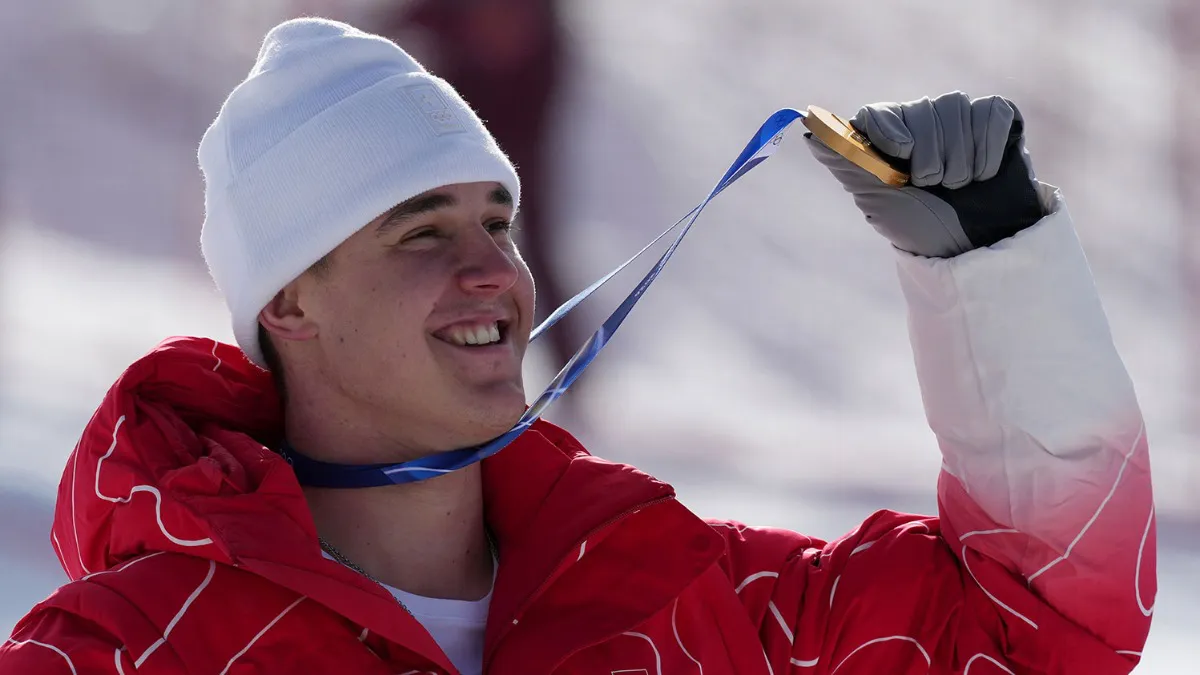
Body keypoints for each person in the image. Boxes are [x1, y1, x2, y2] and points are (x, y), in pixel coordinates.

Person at [0, 18, 1154, 675]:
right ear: (289, 304)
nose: (492, 272)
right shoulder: (124, 653)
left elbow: (1037, 636)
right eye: (420, 232)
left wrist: (994, 274)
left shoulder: (686, 598)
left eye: (496, 223)